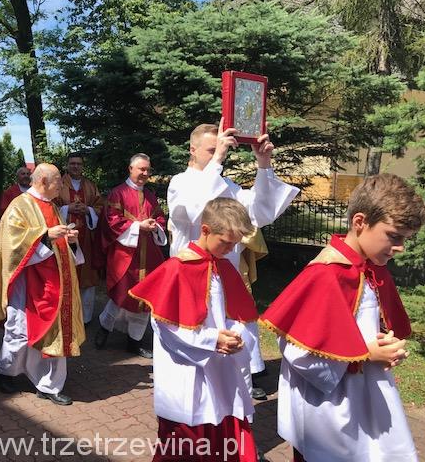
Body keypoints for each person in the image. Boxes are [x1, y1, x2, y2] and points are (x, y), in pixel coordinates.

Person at [260, 173, 425, 462]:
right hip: (330, 408)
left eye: (406, 239)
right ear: (360, 222)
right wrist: (366, 355)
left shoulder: (371, 270)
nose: (401, 247)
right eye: (394, 236)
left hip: (366, 393)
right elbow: (298, 351)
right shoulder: (326, 274)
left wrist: (387, 346)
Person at [168, 121, 299, 399]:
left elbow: (261, 212)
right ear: (192, 149)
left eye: (220, 149)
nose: (219, 154)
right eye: (211, 149)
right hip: (191, 280)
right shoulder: (180, 183)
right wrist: (217, 160)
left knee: (234, 348)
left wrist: (263, 164)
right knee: (196, 351)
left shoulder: (228, 186)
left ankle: (236, 406)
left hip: (226, 277)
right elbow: (192, 212)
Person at [129, 198, 259, 462]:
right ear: (205, 230)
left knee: (224, 433)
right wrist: (213, 340)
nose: (231, 249)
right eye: (226, 242)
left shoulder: (223, 266)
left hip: (221, 367)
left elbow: (236, 313)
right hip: (187, 371)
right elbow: (166, 326)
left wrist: (236, 335)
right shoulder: (178, 268)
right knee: (187, 444)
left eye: (235, 244)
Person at [0, 163, 86, 406]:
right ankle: (5, 371)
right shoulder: (19, 205)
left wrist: (70, 240)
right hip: (26, 281)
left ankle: (49, 385)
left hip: (56, 281)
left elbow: (58, 240)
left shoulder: (53, 206)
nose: (62, 185)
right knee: (20, 330)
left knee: (56, 330)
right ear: (43, 181)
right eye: (58, 181)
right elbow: (11, 244)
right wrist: (46, 236)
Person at [94, 153, 167, 359]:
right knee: (120, 295)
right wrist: (138, 226)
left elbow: (160, 218)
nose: (145, 173)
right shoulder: (118, 193)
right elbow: (112, 221)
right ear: (130, 169)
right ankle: (104, 328)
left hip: (148, 255)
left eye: (148, 170)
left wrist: (155, 226)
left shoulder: (150, 195)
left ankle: (134, 342)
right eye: (141, 169)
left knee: (145, 299)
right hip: (125, 255)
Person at [55, 152, 103, 325]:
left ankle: (85, 318)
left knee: (87, 276)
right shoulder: (58, 184)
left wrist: (88, 210)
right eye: (72, 163)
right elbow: (50, 206)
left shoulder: (90, 185)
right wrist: (67, 209)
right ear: (67, 165)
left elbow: (100, 207)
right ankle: (64, 315)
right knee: (64, 274)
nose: (75, 166)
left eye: (79, 164)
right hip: (63, 238)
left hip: (87, 239)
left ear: (83, 166)